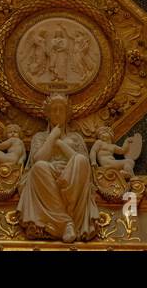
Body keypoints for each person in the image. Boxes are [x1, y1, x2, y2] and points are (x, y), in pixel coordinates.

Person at [17, 94, 98, 242]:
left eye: (61, 110)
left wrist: (60, 143)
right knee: (39, 167)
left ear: (67, 115)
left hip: (72, 175)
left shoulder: (76, 138)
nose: (57, 113)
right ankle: (66, 222)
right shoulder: (40, 137)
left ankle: (70, 210)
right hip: (48, 175)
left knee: (80, 160)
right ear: (47, 114)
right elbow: (38, 160)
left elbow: (83, 162)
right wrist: (51, 137)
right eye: (53, 110)